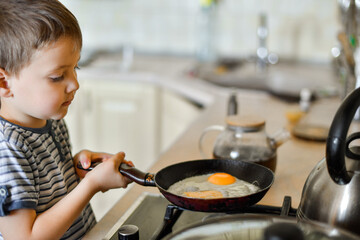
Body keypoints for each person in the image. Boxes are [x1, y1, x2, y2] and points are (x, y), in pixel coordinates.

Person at [0, 1, 133, 239]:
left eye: (76, 67)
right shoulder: (8, 149)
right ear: (4, 83)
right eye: (57, 76)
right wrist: (91, 185)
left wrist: (77, 169)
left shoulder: (49, 119)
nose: (74, 84)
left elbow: (44, 190)